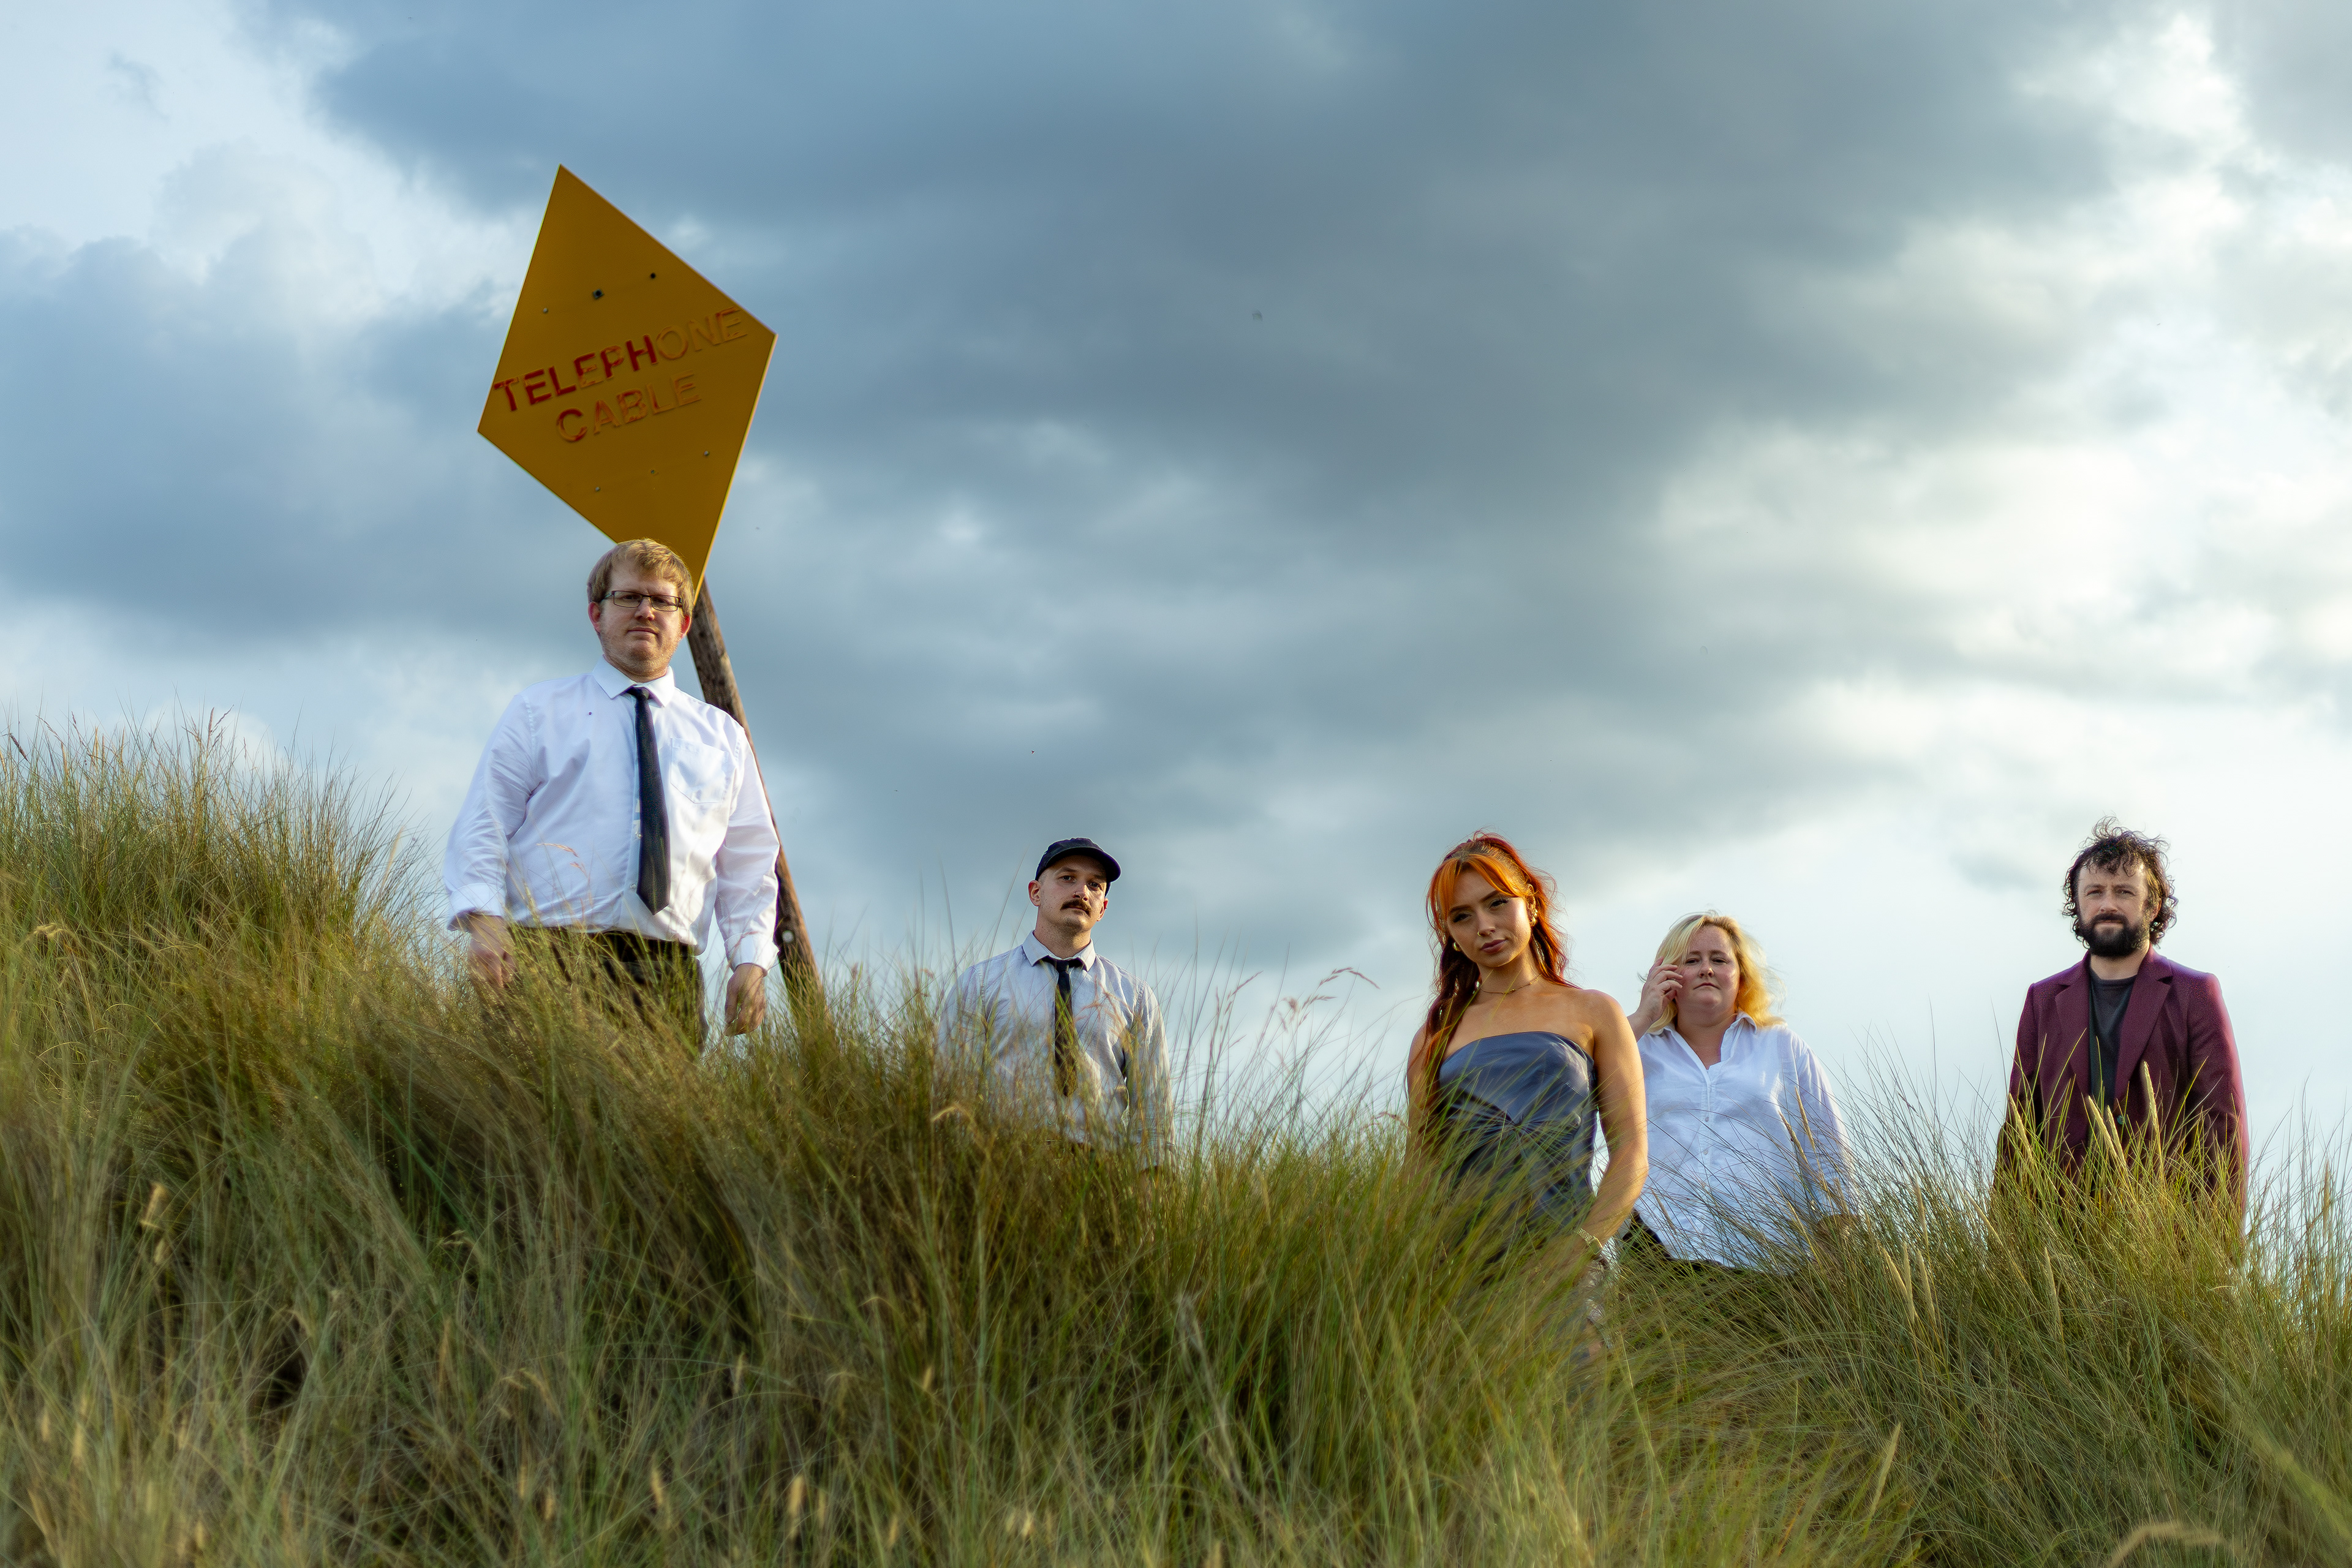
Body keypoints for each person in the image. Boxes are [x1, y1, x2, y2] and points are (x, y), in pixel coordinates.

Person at [443, 538, 781, 1050]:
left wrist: (751, 960)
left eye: (662, 601)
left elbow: (750, 861)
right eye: (628, 597)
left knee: (656, 1130)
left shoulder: (723, 738)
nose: (645, 610)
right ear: (596, 615)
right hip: (545, 962)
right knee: (531, 1124)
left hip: (665, 978)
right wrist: (484, 923)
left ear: (684, 624)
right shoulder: (539, 711)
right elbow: (483, 825)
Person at [1403, 834, 1646, 1329]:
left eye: (1497, 904)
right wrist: (1419, 1266)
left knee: (1581, 1399)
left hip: (1568, 1260)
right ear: (1449, 932)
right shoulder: (1437, 1032)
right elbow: (1420, 1166)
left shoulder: (1594, 1011)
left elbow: (1632, 1154)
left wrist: (1581, 1251)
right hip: (1458, 1267)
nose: (1484, 926)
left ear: (1531, 904)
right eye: (1462, 916)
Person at [1999, 819, 2246, 1209]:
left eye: (2124, 892)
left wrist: (2217, 1249)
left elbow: (2223, 1128)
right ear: (2077, 905)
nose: (2107, 904)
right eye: (2094, 891)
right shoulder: (2042, 1000)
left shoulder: (2196, 994)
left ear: (2152, 907)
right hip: (2059, 1243)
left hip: (2163, 1240)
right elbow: (2019, 1131)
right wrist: (2007, 1250)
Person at [1623, 912, 1855, 1270]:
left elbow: (1826, 1151)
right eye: (1691, 960)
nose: (1706, 969)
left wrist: (1834, 1247)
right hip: (1656, 1252)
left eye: (1719, 960)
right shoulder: (1638, 1048)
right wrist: (1643, 1015)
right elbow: (1579, 1089)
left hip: (1770, 1257)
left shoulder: (1781, 1046)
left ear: (1741, 976)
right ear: (1666, 974)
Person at [936, 839, 1171, 1166]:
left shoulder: (1135, 997)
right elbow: (952, 1098)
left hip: (1100, 1177)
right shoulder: (981, 984)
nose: (1082, 892)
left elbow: (1155, 1119)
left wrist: (1150, 1195)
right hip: (1003, 1167)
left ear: (1103, 908)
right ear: (1036, 892)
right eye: (1067, 878)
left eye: (1095, 885)